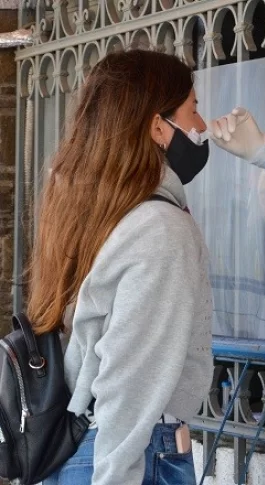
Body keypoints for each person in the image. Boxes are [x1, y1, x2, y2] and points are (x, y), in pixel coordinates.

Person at [29, 50, 213, 485]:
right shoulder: (160, 230)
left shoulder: (94, 215)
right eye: (193, 110)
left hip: (80, 449)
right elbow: (130, 378)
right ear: (156, 126)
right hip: (129, 456)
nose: (202, 127)